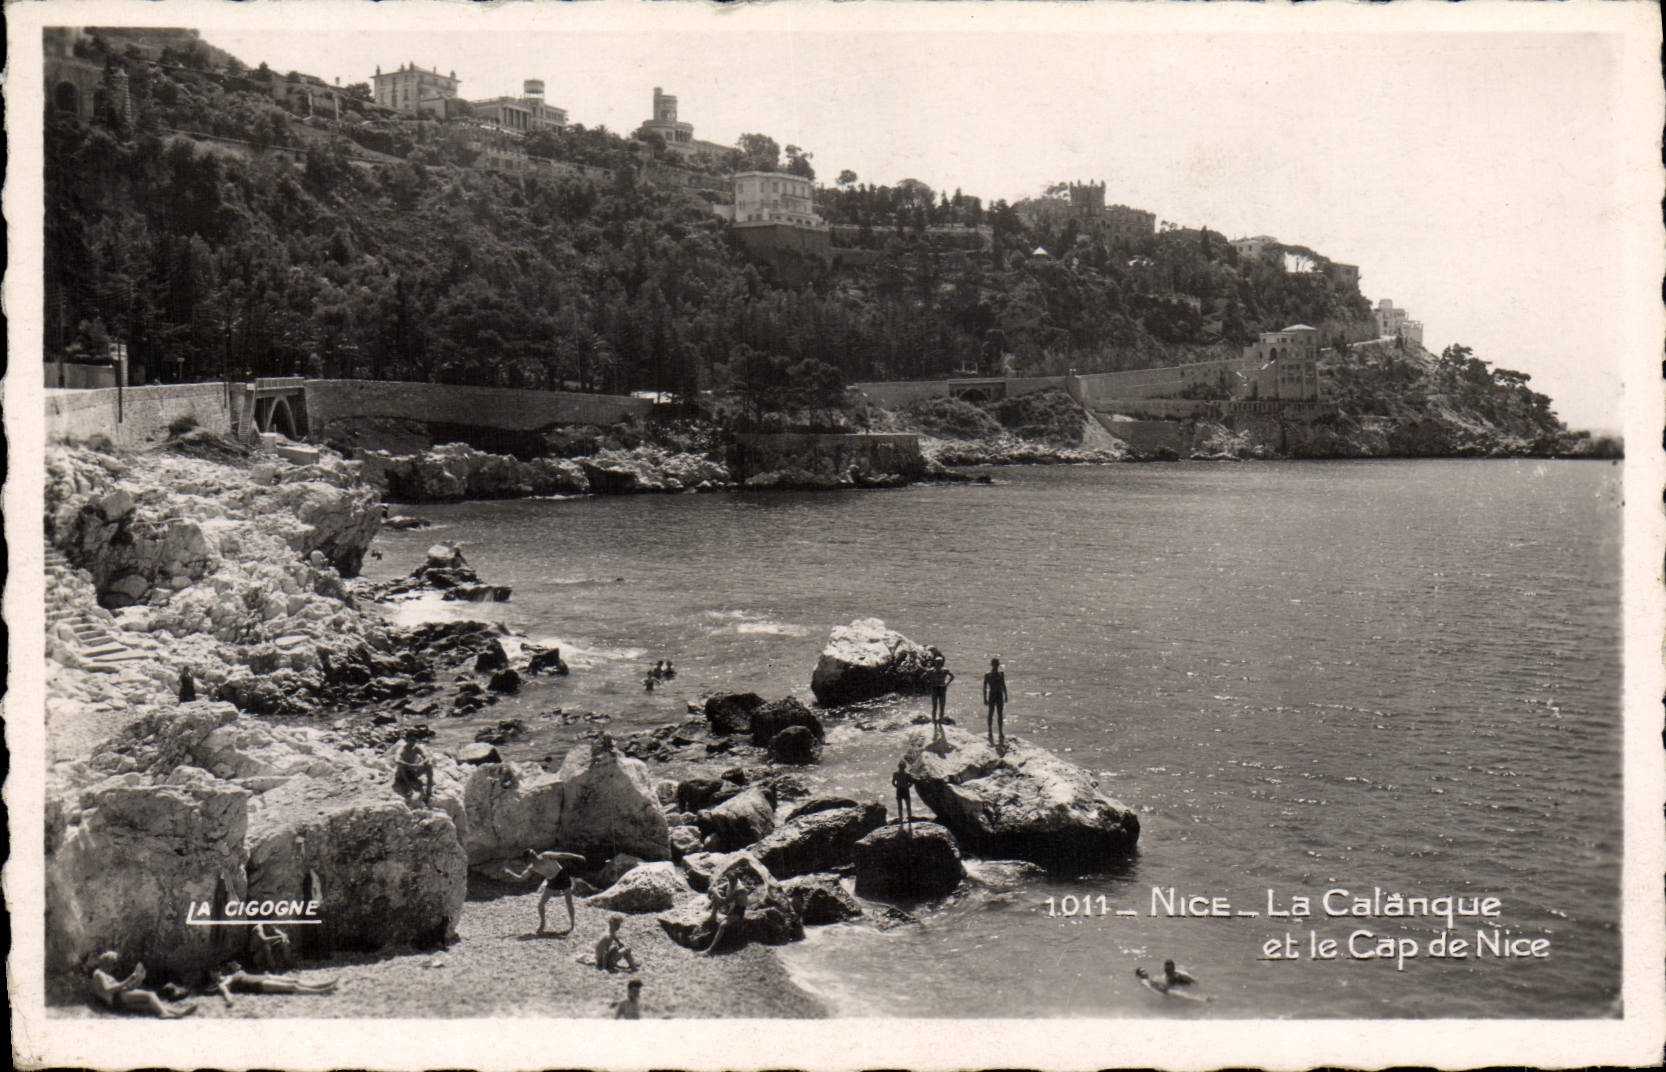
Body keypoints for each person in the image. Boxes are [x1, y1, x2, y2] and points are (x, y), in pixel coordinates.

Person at [86, 951, 197, 1018]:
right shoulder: (99, 974)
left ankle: (178, 1012)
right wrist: (129, 979)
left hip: (117, 1002)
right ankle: (164, 1014)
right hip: (117, 998)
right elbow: (108, 989)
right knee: (150, 995)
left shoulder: (105, 974)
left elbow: (121, 987)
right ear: (106, 962)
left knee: (150, 1005)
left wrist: (136, 981)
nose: (113, 967)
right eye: (112, 963)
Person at [504, 848, 583, 934]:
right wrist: (510, 873)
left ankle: (572, 924)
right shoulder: (532, 867)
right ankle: (542, 924)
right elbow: (521, 878)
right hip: (552, 881)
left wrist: (576, 856)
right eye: (531, 857)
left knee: (569, 902)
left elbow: (562, 855)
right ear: (529, 860)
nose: (534, 857)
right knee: (541, 905)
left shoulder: (546, 855)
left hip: (562, 876)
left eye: (533, 855)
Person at [209, 962, 339, 1007]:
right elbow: (226, 992)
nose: (218, 971)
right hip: (259, 985)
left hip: (263, 977)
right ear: (212, 976)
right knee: (292, 987)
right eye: (215, 971)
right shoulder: (223, 983)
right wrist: (229, 1000)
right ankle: (322, 991)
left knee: (295, 981)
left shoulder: (230, 974)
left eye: (217, 969)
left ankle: (323, 984)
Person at [699, 873, 751, 956]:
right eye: (730, 880)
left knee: (722, 925)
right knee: (716, 894)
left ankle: (710, 950)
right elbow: (717, 888)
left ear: (737, 879)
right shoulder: (730, 884)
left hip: (738, 911)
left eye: (733, 880)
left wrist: (714, 892)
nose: (731, 882)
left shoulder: (740, 889)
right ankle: (713, 916)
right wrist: (714, 890)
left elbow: (725, 901)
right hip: (730, 907)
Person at [391, 730, 434, 807]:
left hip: (413, 771)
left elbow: (427, 756)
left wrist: (422, 763)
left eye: (414, 740)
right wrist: (409, 765)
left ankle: (429, 788)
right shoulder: (402, 749)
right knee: (401, 766)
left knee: (429, 764)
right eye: (411, 740)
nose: (413, 742)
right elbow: (396, 760)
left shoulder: (416, 748)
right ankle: (408, 787)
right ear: (406, 740)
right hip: (403, 773)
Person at [983, 657, 1008, 747]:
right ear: (992, 665)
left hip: (999, 695)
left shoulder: (1001, 674)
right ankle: (990, 730)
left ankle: (1000, 731)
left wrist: (1006, 696)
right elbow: (985, 688)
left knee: (1000, 714)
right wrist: (985, 698)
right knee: (991, 713)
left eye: (997, 664)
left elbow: (1003, 685)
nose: (996, 666)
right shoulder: (988, 674)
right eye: (994, 664)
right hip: (992, 694)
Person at [926, 655, 954, 726]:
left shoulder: (945, 670)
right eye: (937, 663)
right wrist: (930, 682)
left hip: (942, 688)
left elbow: (952, 676)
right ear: (934, 663)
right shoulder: (931, 671)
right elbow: (924, 677)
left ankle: (941, 720)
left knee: (942, 705)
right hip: (934, 688)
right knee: (934, 705)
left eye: (940, 663)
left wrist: (947, 684)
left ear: (942, 663)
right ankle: (934, 720)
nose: (938, 664)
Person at [892, 760, 915, 824]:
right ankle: (902, 819)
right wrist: (905, 786)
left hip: (903, 790)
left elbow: (911, 783)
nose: (901, 767)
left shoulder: (906, 775)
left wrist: (898, 786)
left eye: (902, 766)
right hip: (902, 790)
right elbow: (893, 782)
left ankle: (905, 819)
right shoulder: (897, 774)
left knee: (906, 806)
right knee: (902, 806)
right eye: (901, 766)